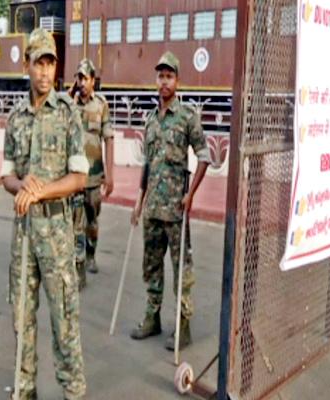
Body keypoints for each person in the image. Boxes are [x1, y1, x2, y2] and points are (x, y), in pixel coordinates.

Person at [1, 28, 87, 399]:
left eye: (51, 63)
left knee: (64, 321)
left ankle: (73, 392)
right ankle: (24, 389)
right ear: (27, 65)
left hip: (56, 235)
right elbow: (6, 175)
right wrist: (21, 187)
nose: (45, 72)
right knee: (22, 318)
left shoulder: (68, 114)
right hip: (23, 236)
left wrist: (41, 191)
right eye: (38, 63)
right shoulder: (16, 117)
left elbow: (80, 177)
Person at [129, 52, 210, 351]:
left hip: (176, 210)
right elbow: (147, 165)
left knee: (181, 271)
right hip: (152, 210)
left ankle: (183, 327)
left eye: (169, 76)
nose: (164, 82)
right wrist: (138, 201)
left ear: (177, 80)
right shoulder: (151, 121)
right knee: (151, 266)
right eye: (160, 76)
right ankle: (153, 318)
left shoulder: (188, 116)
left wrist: (191, 195)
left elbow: (205, 157)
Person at [69, 58, 114, 289]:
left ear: (93, 80)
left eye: (85, 78)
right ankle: (79, 264)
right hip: (76, 176)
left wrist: (111, 174)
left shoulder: (101, 105)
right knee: (76, 221)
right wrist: (70, 97)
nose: (82, 82)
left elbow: (108, 138)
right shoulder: (71, 105)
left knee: (92, 220)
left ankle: (91, 254)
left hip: (95, 176)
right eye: (79, 77)